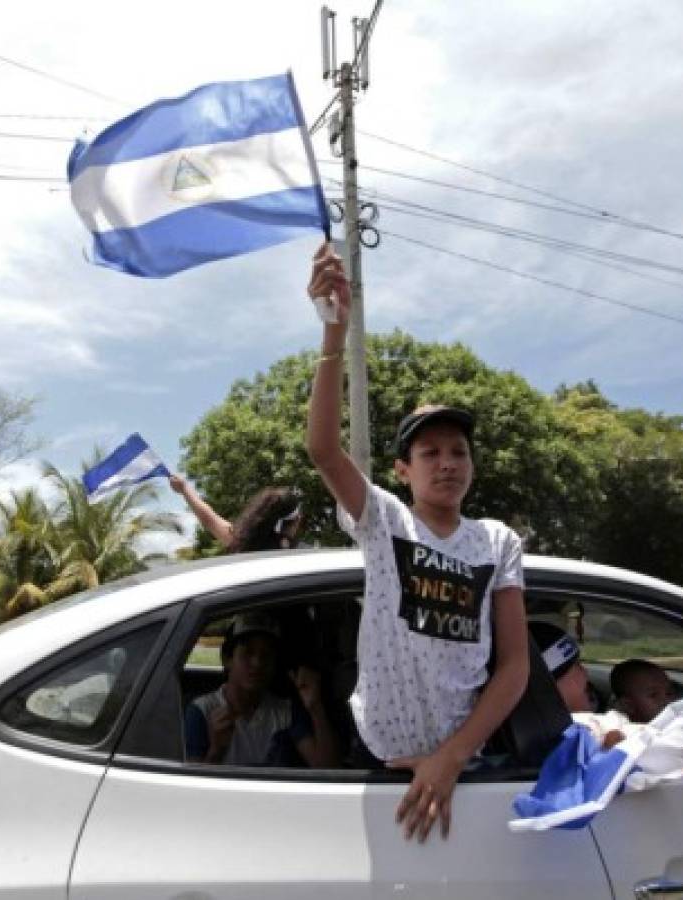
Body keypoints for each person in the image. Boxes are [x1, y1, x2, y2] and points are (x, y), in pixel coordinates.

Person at [304, 242, 530, 843]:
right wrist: (334, 335)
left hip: (465, 763)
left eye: (459, 451)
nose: (447, 463)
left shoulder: (498, 541)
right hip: (381, 760)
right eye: (430, 453)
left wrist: (454, 756)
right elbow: (324, 450)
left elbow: (514, 667)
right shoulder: (384, 520)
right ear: (403, 469)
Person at [528, 608, 683, 748]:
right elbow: (671, 735)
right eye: (575, 668)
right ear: (547, 687)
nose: (585, 673)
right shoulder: (587, 733)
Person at [184, 612, 339, 768]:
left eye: (267, 655)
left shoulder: (285, 711)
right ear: (227, 659)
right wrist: (217, 750)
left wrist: (315, 708)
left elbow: (326, 769)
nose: (257, 663)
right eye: (247, 652)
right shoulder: (202, 711)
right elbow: (191, 787)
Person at [169, 476, 304, 552]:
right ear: (296, 520)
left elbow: (208, 519)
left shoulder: (240, 541)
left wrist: (184, 488)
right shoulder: (305, 556)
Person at [610, 658, 676, 725]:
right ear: (628, 705)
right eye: (653, 695)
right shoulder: (625, 733)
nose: (667, 701)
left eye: (669, 693)